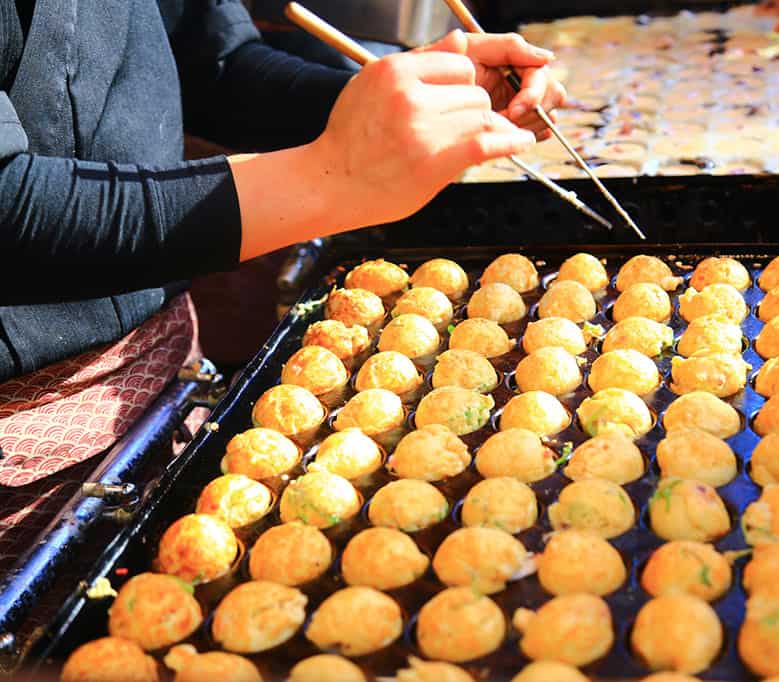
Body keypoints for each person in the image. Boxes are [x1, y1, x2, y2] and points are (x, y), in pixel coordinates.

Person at [0, 0, 563, 570]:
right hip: (23, 466)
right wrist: (331, 177)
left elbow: (209, 60)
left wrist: (382, 105)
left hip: (165, 389)